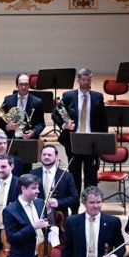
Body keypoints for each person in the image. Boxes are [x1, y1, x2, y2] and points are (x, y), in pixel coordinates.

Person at [31, 143, 79, 257]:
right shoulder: (33, 174)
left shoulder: (65, 176)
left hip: (59, 222)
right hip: (39, 220)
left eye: (49, 155)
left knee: (59, 254)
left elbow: (74, 198)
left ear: (56, 157)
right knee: (39, 252)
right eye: (44, 154)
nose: (46, 157)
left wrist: (59, 202)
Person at [52, 68, 108, 200]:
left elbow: (103, 121)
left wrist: (101, 142)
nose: (86, 82)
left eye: (88, 80)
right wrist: (64, 125)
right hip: (73, 140)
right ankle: (75, 208)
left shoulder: (98, 97)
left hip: (91, 141)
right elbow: (56, 114)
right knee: (74, 175)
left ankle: (91, 203)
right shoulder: (69, 95)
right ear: (78, 80)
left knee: (91, 177)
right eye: (83, 79)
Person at [0, 73, 45, 140]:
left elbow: (41, 124)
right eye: (21, 84)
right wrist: (7, 127)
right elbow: (0, 122)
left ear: (29, 85)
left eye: (26, 84)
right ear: (17, 85)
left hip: (30, 139)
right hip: (12, 138)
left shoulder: (37, 102)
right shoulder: (8, 100)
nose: (23, 87)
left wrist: (33, 132)